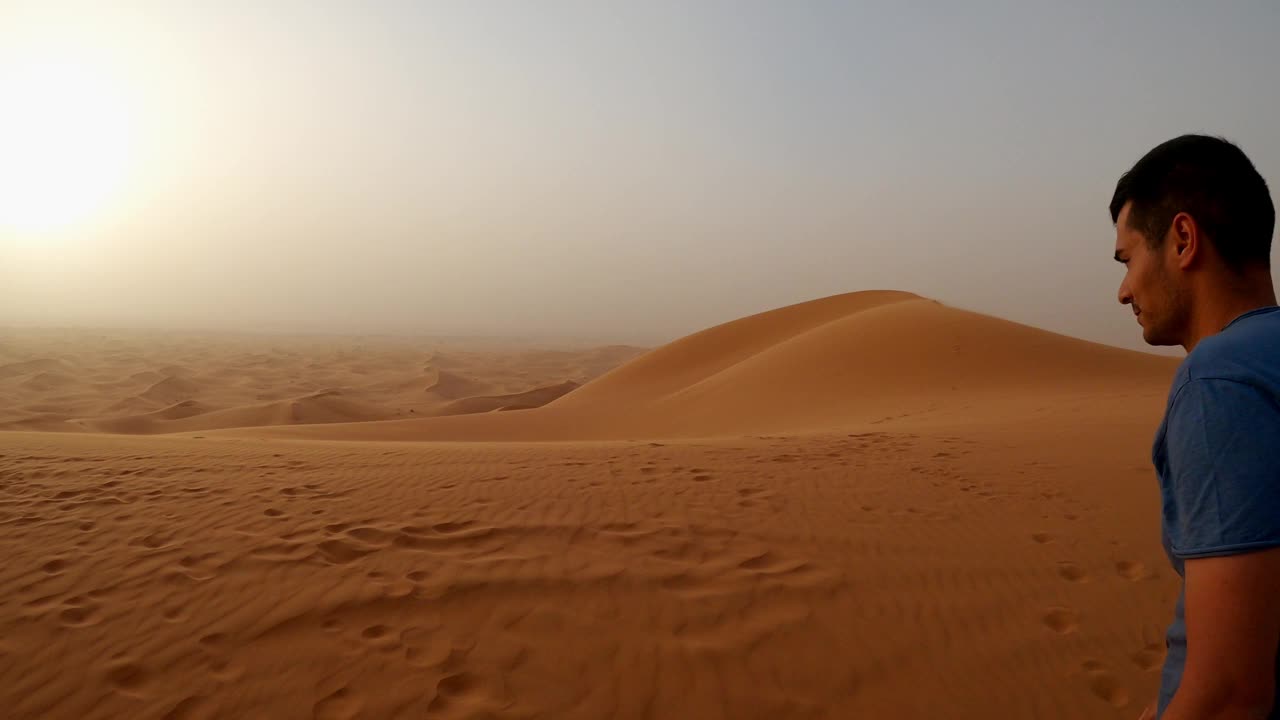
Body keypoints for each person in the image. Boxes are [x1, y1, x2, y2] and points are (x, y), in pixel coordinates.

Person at [1111, 134, 1280, 720]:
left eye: (1128, 258)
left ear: (1182, 240)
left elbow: (1231, 693)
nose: (1124, 290)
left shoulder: (1218, 381)